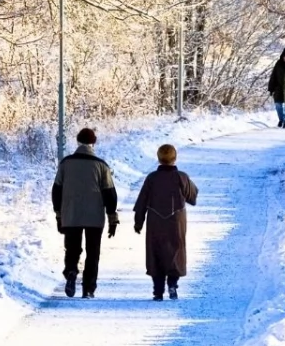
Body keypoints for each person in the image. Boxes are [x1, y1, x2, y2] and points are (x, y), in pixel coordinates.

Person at [52, 127, 119, 299]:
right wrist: (112, 218)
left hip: (71, 214)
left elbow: (56, 190)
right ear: (93, 143)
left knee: (72, 248)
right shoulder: (101, 166)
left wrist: (59, 214)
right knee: (93, 252)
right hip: (94, 216)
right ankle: (88, 288)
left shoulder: (65, 164)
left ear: (78, 141)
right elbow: (110, 194)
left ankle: (71, 271)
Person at [133, 144, 199, 301]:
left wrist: (138, 222)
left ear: (158, 158)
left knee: (155, 251)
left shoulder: (152, 178)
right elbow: (192, 197)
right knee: (176, 250)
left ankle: (158, 291)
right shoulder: (181, 177)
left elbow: (142, 202)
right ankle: (172, 284)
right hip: (176, 221)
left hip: (155, 221)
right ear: (175, 158)